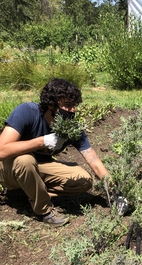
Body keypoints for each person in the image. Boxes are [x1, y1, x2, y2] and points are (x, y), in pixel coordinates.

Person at [0, 78, 127, 227]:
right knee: (25, 161)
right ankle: (44, 211)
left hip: (39, 167)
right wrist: (42, 141)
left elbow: (93, 160)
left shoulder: (70, 128)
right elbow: (2, 150)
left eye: (74, 105)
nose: (72, 110)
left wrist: (116, 192)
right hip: (8, 169)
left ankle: (32, 191)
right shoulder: (27, 112)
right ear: (51, 104)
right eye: (67, 105)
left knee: (84, 180)